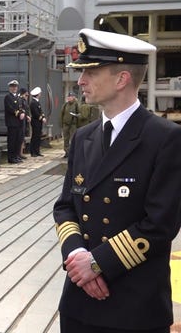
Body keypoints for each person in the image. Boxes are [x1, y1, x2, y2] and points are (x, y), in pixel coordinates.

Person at [53, 28, 181, 333]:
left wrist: (97, 263)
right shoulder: (84, 137)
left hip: (134, 306)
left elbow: (160, 225)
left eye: (90, 72)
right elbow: (65, 207)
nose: (81, 81)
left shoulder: (165, 138)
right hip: (79, 300)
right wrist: (76, 257)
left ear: (122, 78)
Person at [3, 79, 25, 163]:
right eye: (12, 87)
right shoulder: (8, 97)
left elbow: (22, 107)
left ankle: (16, 156)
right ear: (10, 88)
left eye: (15, 87)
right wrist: (19, 113)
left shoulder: (18, 98)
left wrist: (22, 112)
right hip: (12, 122)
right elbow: (10, 108)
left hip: (19, 122)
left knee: (18, 140)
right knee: (12, 141)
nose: (14, 88)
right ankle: (11, 158)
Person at [60, 91, 80, 158]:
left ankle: (72, 153)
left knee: (73, 139)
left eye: (70, 97)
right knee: (66, 139)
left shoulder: (76, 104)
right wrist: (61, 124)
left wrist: (76, 118)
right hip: (66, 124)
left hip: (73, 125)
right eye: (68, 97)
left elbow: (79, 114)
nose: (69, 98)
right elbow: (61, 114)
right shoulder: (65, 105)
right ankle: (67, 152)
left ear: (73, 97)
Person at [29, 87, 46, 157]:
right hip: (35, 122)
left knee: (38, 136)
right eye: (40, 93)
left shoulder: (37, 102)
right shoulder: (33, 103)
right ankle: (33, 152)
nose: (40, 94)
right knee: (35, 136)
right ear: (37, 94)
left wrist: (43, 116)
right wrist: (42, 118)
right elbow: (35, 113)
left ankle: (37, 151)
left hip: (39, 122)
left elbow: (40, 111)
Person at [18, 87, 30, 158]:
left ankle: (21, 153)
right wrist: (26, 116)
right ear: (23, 94)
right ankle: (20, 153)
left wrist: (27, 116)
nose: (27, 97)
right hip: (21, 121)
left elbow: (26, 110)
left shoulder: (24, 101)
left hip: (24, 121)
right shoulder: (20, 100)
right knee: (20, 137)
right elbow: (22, 110)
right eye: (26, 95)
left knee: (23, 137)